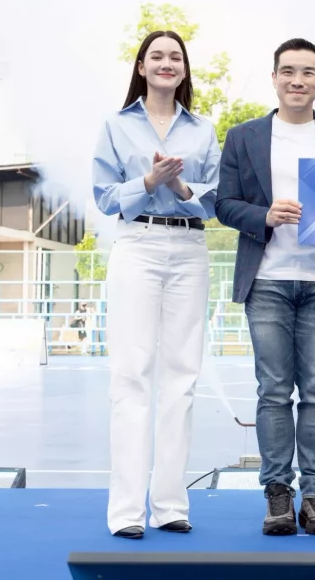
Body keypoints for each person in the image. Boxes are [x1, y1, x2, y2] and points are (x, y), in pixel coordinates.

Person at [215, 38, 315, 536]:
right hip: (267, 281)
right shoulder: (244, 136)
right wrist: (264, 214)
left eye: (308, 72)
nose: (297, 80)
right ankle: (278, 494)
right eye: (288, 71)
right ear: (274, 77)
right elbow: (224, 204)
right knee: (274, 392)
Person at [92, 30, 220, 539]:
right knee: (131, 374)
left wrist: (180, 185)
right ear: (141, 67)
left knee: (183, 376)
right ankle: (126, 511)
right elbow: (105, 197)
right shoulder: (116, 125)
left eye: (176, 57)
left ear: (184, 69)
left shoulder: (203, 130)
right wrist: (148, 182)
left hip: (189, 247)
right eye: (157, 56)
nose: (167, 63)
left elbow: (215, 201)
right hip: (137, 244)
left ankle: (169, 505)